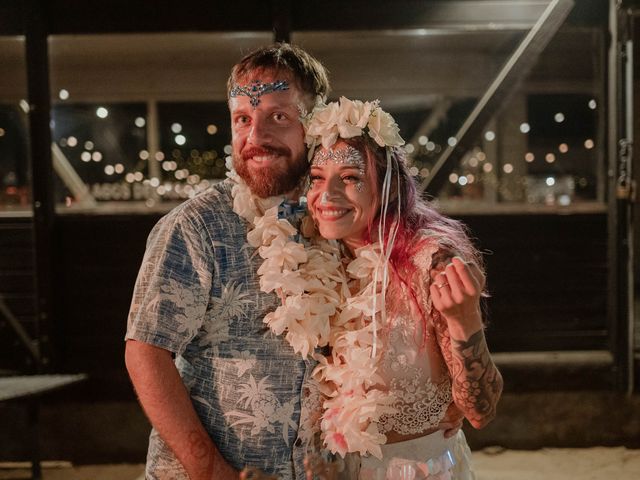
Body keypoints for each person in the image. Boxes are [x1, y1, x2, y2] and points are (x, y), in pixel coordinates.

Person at [258, 97, 504, 479]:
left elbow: (481, 410)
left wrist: (464, 319)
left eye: (351, 178)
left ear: (388, 188)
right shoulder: (308, 255)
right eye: (318, 179)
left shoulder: (432, 261)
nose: (327, 196)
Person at [124, 43, 331, 480]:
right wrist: (212, 471)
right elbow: (145, 353)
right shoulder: (196, 227)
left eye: (277, 116)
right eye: (242, 119)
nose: (254, 138)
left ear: (314, 125)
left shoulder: (336, 221)